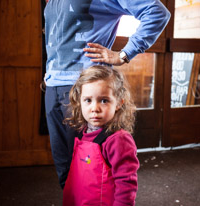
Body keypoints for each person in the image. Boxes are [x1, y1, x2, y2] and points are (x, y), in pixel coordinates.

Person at [44, 0, 170, 189]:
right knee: (65, 173)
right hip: (53, 87)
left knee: (89, 174)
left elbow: (157, 12)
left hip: (85, 87)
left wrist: (123, 54)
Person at [63, 65, 139, 206]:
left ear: (118, 103)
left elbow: (126, 183)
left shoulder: (118, 139)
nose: (95, 108)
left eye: (104, 100)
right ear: (79, 102)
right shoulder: (81, 132)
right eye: (88, 100)